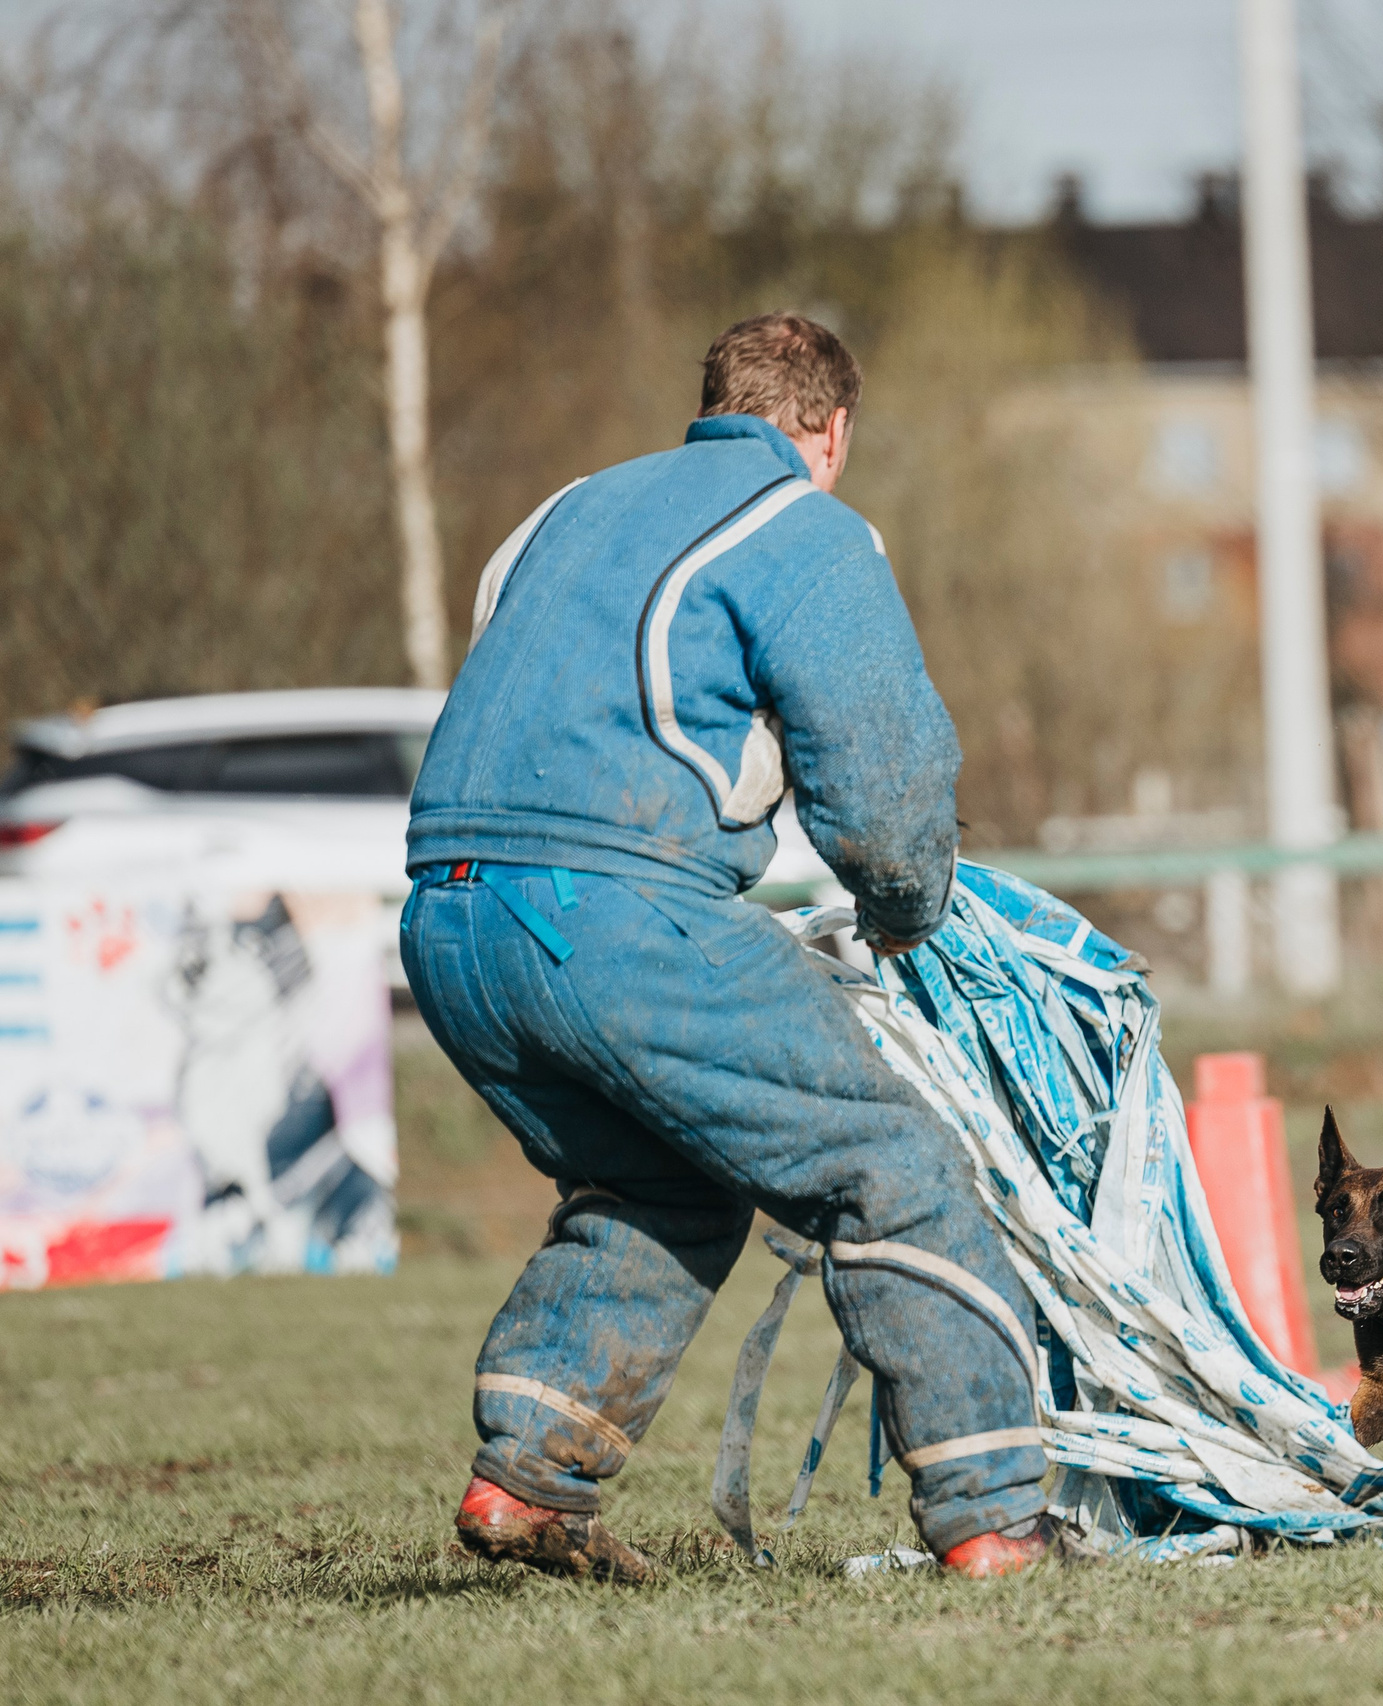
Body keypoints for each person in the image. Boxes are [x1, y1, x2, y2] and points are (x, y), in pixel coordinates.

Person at [401, 314, 1052, 1582]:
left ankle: (527, 1483)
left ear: (713, 403)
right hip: (614, 918)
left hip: (445, 918)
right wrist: (908, 912)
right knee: (885, 1156)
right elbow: (880, 781)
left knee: (664, 1182)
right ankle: (994, 1521)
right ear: (833, 431)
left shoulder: (562, 512)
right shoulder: (803, 527)